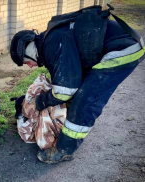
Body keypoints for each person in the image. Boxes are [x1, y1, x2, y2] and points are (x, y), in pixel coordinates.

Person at [10, 8, 145, 164]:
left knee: (85, 100)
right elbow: (66, 83)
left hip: (123, 49)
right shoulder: (50, 41)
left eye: (27, 62)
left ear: (29, 51)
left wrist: (40, 102)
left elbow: (66, 90)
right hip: (121, 43)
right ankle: (66, 133)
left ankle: (64, 150)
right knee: (77, 94)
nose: (30, 67)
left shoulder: (52, 43)